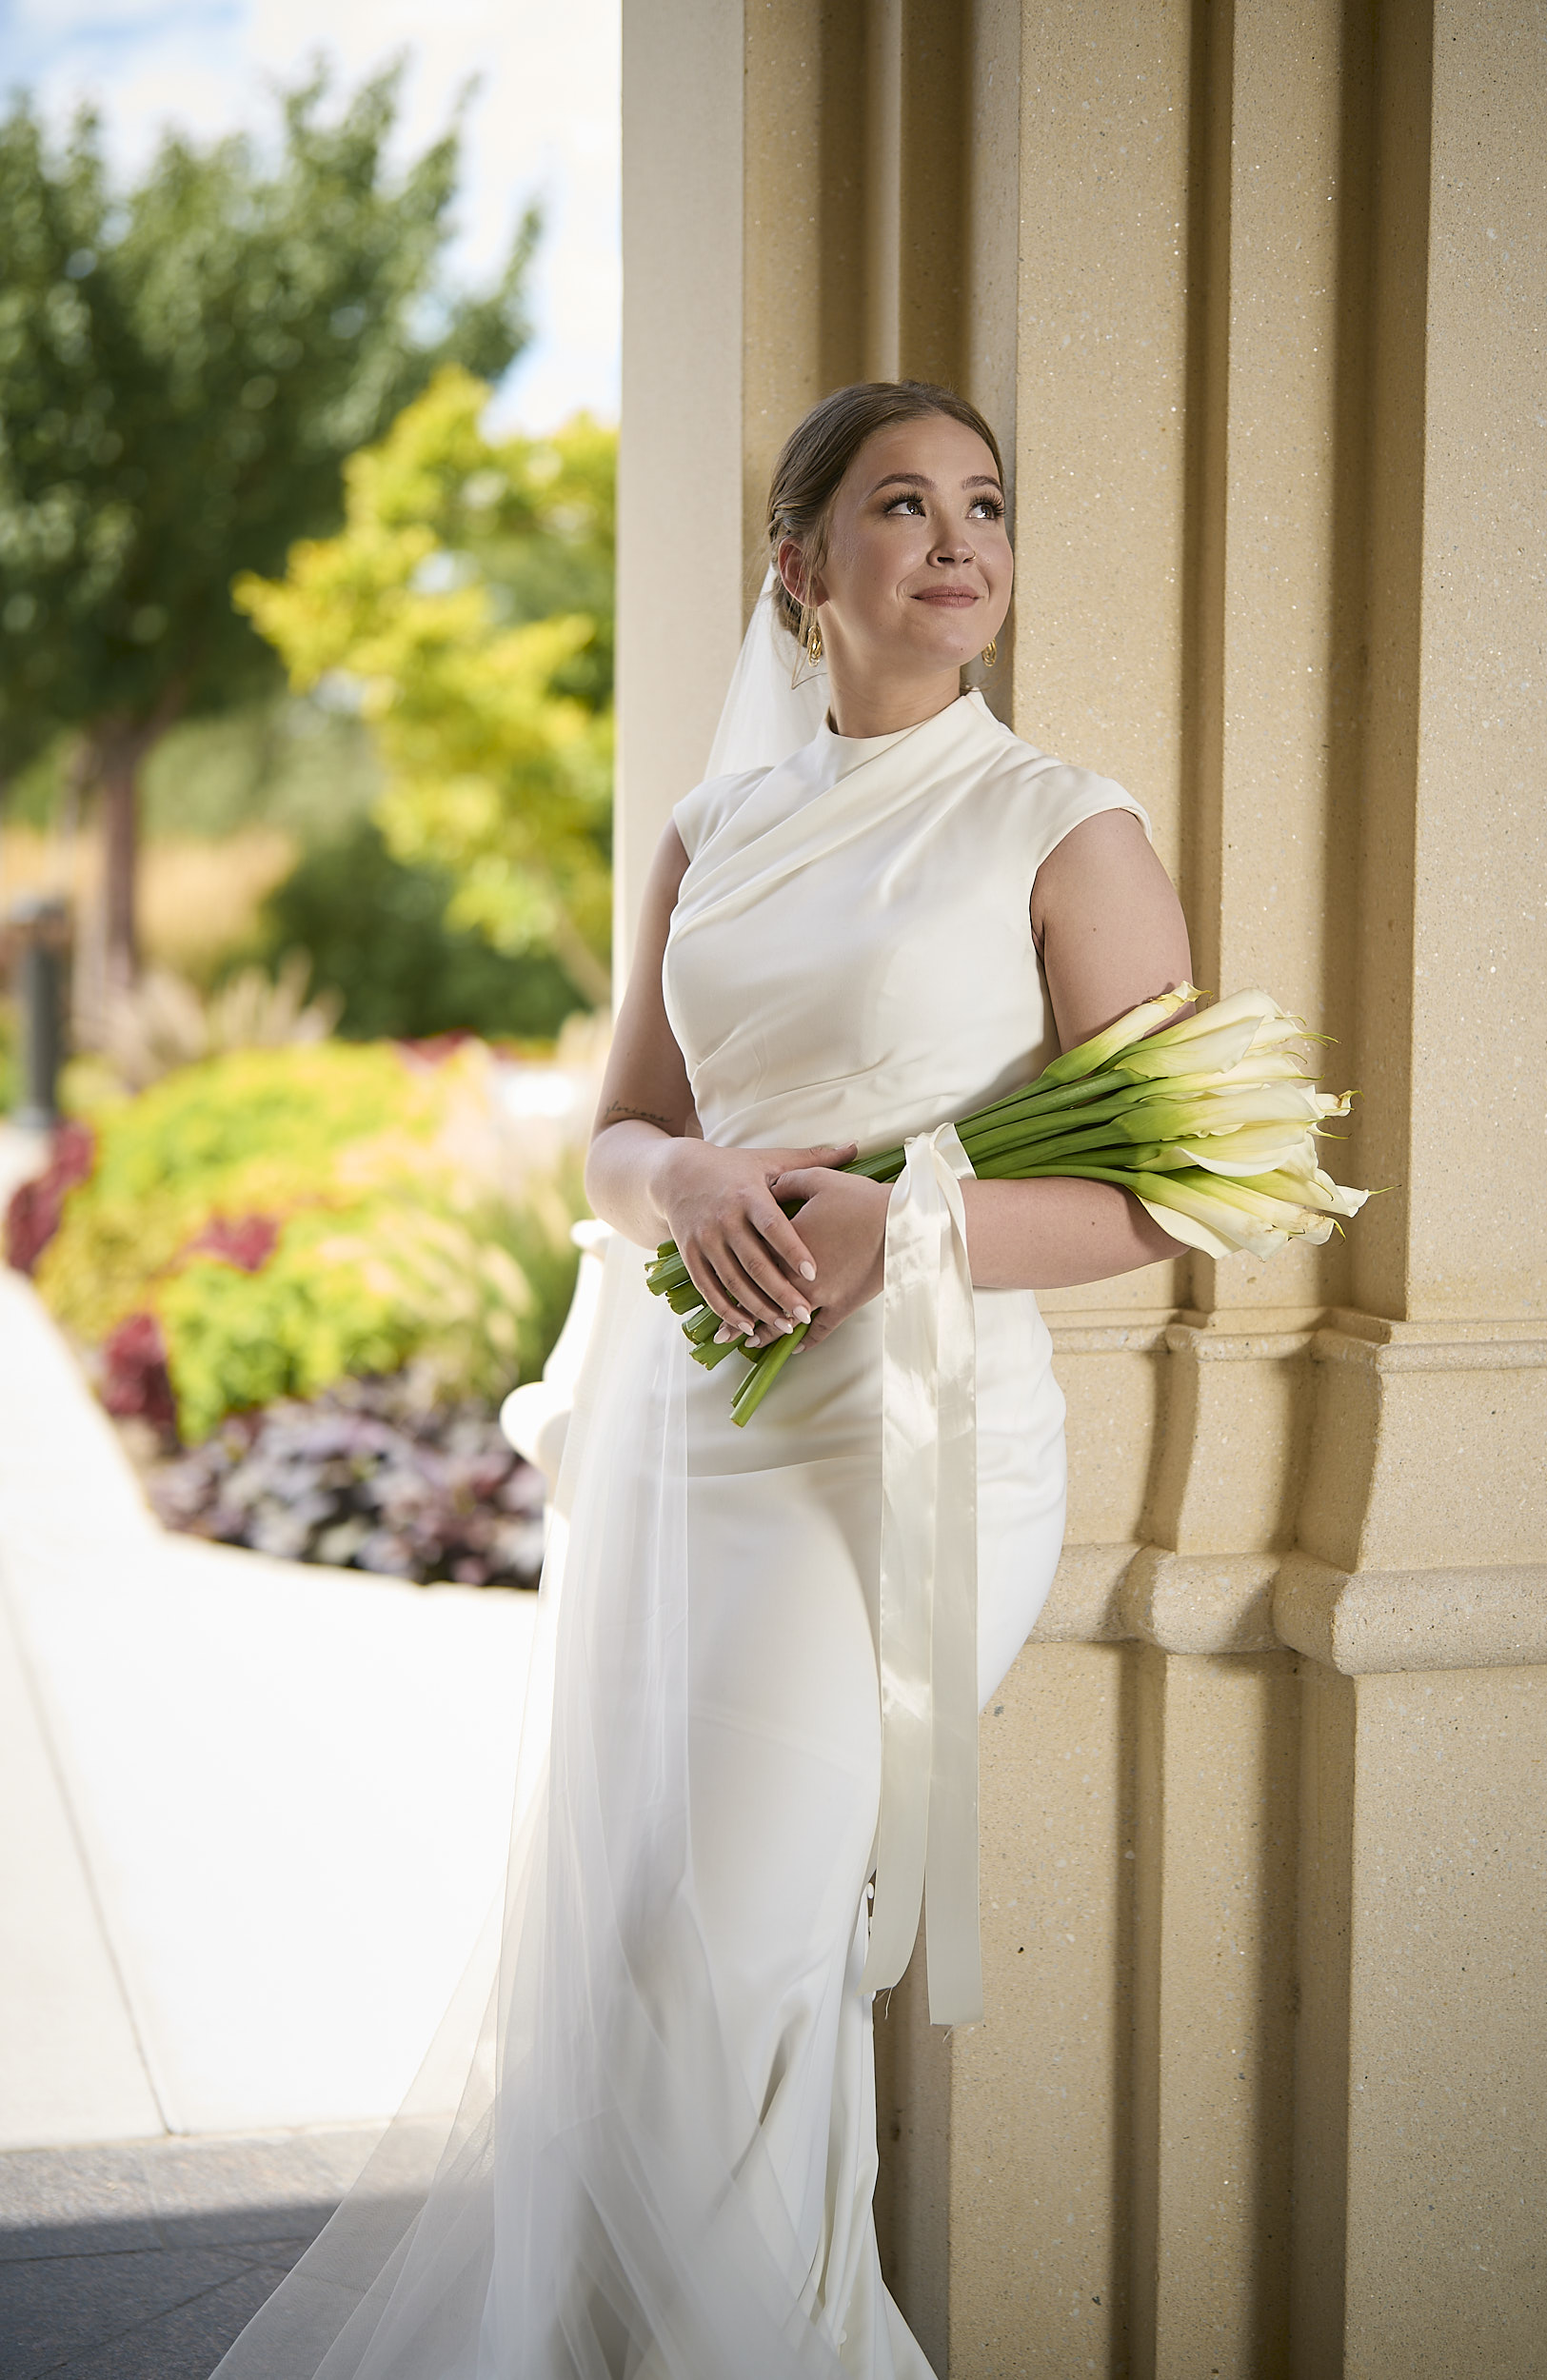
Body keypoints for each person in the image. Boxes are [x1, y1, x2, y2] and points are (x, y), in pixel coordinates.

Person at [210, 380, 1194, 2380]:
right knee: (640, 1970)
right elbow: (618, 1136)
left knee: (717, 1968)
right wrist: (684, 1180)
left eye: (984, 502)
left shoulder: (1066, 827)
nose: (956, 539)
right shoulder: (707, 829)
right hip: (688, 1435)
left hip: (906, 1450)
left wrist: (898, 1227)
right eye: (901, 504)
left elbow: (1178, 1194)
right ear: (799, 564)